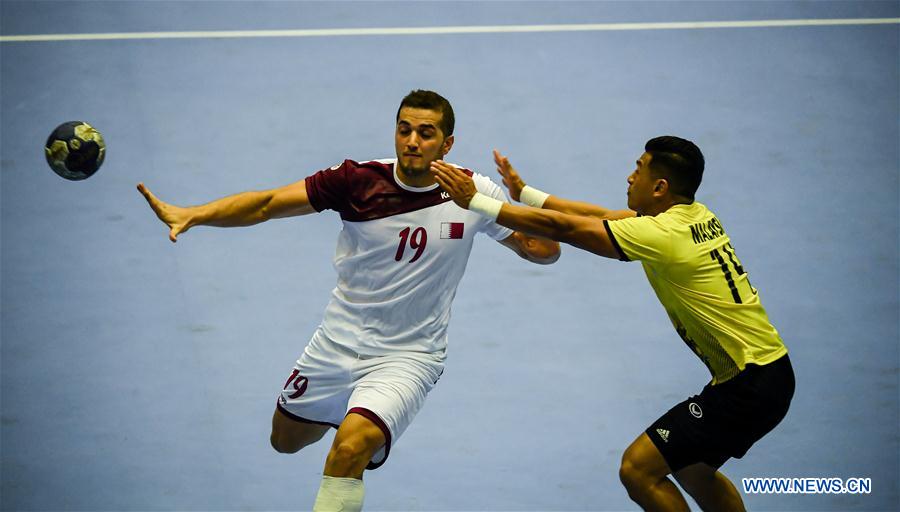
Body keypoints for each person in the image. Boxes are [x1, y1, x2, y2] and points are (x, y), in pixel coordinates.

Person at [137, 90, 560, 511]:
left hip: (408, 356)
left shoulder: (473, 192)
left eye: (426, 133)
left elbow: (543, 250)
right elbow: (267, 205)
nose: (412, 141)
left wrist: (503, 202)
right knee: (284, 441)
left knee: (347, 451)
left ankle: (365, 423)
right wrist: (193, 214)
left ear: (447, 144)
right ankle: (360, 414)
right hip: (336, 343)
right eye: (405, 130)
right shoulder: (356, 180)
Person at [431, 137, 794, 511]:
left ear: (659, 187)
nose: (629, 176)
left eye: (638, 168)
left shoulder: (662, 235)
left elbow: (567, 229)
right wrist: (525, 193)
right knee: (692, 469)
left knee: (638, 469)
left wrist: (476, 201)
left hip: (748, 385)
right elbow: (602, 216)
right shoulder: (694, 216)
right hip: (770, 373)